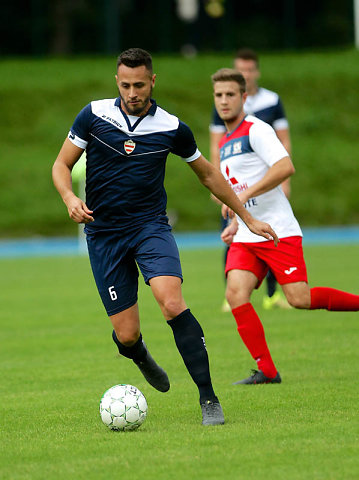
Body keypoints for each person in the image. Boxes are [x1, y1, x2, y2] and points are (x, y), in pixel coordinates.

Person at [52, 48, 278, 425]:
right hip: (104, 235)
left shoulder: (171, 127)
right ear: (117, 82)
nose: (132, 92)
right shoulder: (93, 115)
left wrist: (246, 217)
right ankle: (138, 354)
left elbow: (207, 174)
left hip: (149, 228)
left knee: (171, 303)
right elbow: (61, 164)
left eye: (139, 84)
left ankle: (208, 399)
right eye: (125, 85)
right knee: (126, 334)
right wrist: (69, 196)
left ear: (152, 81)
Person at [211, 67, 359, 384]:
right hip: (247, 234)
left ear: (243, 97)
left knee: (299, 299)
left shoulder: (256, 130)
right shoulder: (226, 142)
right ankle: (267, 370)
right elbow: (238, 186)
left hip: (277, 231)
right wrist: (236, 220)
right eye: (219, 95)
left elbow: (284, 166)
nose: (224, 101)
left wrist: (244, 197)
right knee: (236, 294)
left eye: (230, 95)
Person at [210, 48, 291, 311]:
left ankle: (272, 294)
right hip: (236, 185)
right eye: (239, 69)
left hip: (265, 182)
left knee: (271, 234)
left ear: (256, 72)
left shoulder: (271, 101)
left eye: (248, 69)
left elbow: (284, 140)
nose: (244, 73)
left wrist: (284, 179)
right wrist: (216, 182)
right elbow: (216, 146)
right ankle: (231, 293)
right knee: (233, 234)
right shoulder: (224, 103)